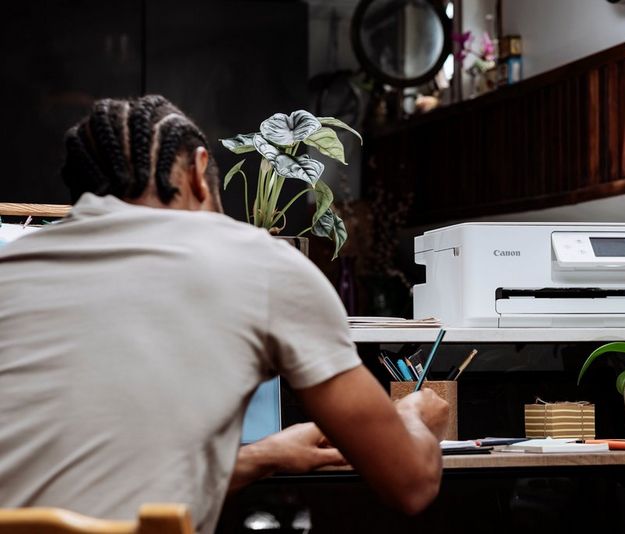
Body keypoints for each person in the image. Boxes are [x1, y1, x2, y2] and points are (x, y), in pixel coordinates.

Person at [0, 95, 448, 534]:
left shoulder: (12, 266)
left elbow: (96, 482)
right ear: (199, 173)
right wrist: (413, 417)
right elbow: (410, 484)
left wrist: (264, 455)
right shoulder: (257, 261)